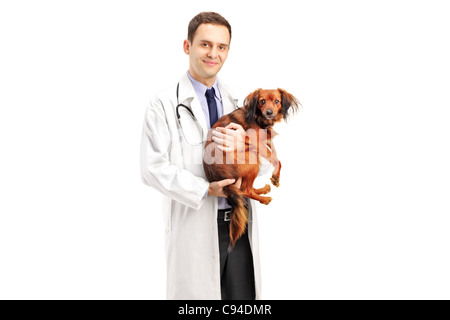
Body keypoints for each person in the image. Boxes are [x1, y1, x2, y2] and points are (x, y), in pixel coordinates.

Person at [140, 12, 264, 300]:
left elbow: (267, 164)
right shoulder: (164, 104)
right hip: (194, 226)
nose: (213, 54)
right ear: (187, 46)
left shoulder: (240, 102)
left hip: (240, 222)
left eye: (221, 47)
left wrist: (247, 142)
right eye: (205, 45)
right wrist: (203, 189)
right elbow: (152, 167)